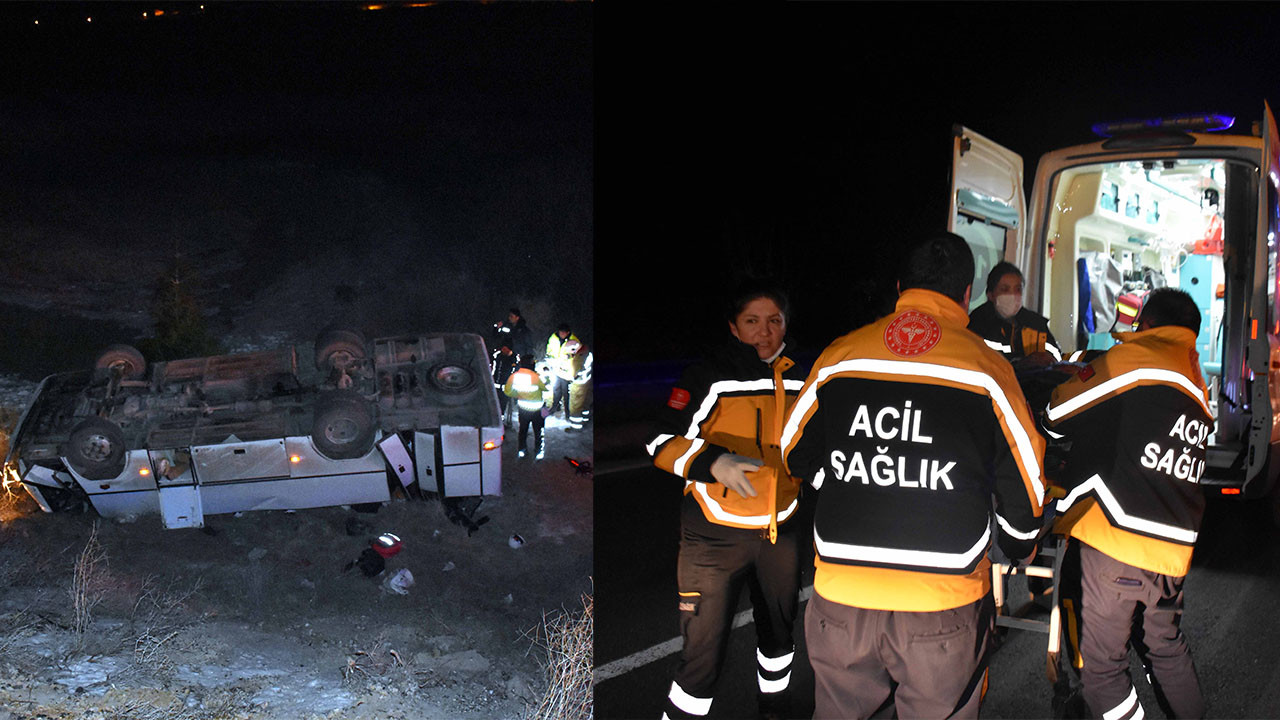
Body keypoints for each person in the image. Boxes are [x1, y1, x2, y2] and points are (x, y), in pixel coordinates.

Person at [781, 232, 1046, 720]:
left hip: (842, 593)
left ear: (901, 286)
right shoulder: (985, 366)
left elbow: (793, 452)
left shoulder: (841, 355)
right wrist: (1015, 542)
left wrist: (854, 478)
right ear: (968, 295)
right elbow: (1025, 474)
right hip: (942, 600)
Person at [1045, 287, 1210, 720]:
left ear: (1147, 324)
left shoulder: (1129, 361)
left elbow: (1057, 412)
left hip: (1118, 535)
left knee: (1102, 669)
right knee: (1166, 646)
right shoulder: (1196, 381)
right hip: (1173, 549)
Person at [646, 279, 807, 720]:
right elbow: (658, 439)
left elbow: (817, 444)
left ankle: (775, 709)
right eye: (752, 321)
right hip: (712, 535)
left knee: (778, 638)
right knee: (702, 654)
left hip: (781, 528)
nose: (765, 331)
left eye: (774, 320)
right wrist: (713, 463)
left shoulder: (806, 376)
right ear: (734, 328)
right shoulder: (708, 376)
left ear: (785, 323)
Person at [968, 261, 1062, 370]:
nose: (1012, 295)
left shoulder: (1035, 323)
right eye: (1005, 289)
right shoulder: (978, 323)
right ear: (991, 295)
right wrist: (1020, 364)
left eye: (1018, 289)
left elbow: (1057, 355)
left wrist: (1049, 358)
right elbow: (978, 362)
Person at [504, 356, 549, 459]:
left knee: (523, 430)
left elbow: (508, 391)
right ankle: (538, 452)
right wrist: (547, 376)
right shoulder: (535, 376)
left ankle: (522, 451)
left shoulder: (514, 376)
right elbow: (546, 388)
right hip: (537, 409)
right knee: (538, 431)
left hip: (523, 408)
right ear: (531, 364)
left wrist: (519, 395)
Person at [545, 323, 580, 423]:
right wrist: (550, 358)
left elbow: (577, 355)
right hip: (556, 368)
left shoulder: (574, 340)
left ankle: (568, 412)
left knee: (565, 391)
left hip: (566, 371)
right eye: (560, 332)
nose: (561, 334)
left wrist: (569, 357)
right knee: (556, 388)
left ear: (568, 332)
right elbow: (549, 349)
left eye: (563, 332)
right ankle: (555, 407)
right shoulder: (553, 338)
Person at [491, 344, 518, 429]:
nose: (503, 350)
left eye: (505, 348)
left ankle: (501, 422)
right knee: (495, 404)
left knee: (503, 404)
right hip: (495, 384)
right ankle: (495, 421)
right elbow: (494, 369)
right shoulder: (497, 356)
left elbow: (514, 372)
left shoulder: (514, 358)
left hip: (507, 386)